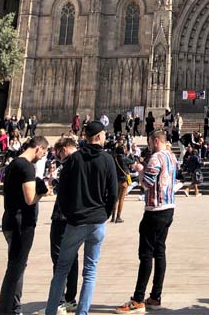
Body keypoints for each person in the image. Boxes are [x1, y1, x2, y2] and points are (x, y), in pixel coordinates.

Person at [41, 121, 117, 315]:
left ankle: (50, 311)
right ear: (99, 136)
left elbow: (62, 191)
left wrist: (69, 214)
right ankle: (81, 312)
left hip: (75, 222)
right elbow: (113, 194)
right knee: (90, 272)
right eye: (104, 135)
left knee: (61, 269)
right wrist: (104, 215)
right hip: (97, 222)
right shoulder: (107, 159)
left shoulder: (74, 159)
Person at [115, 128, 177, 313]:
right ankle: (156, 296)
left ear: (156, 141)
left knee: (146, 255)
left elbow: (146, 183)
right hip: (168, 209)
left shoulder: (157, 158)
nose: (149, 146)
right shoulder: (172, 158)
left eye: (150, 142)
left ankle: (138, 300)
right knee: (159, 252)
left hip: (155, 211)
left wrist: (140, 169)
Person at [0, 135, 49, 315]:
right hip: (22, 223)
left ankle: (13, 307)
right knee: (15, 268)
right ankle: (6, 310)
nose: (43, 156)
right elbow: (30, 199)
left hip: (9, 219)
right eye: (43, 152)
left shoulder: (13, 163)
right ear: (38, 148)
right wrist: (43, 192)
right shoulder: (27, 167)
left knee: (17, 265)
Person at [49, 137, 79, 313]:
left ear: (63, 150)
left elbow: (65, 189)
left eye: (57, 153)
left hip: (62, 216)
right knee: (73, 257)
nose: (57, 156)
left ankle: (60, 300)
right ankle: (70, 298)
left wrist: (54, 183)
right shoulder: (83, 162)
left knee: (58, 257)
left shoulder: (69, 165)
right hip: (76, 218)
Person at [112, 144, 135, 223]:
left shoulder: (114, 158)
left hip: (116, 180)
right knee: (121, 199)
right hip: (124, 180)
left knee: (116, 199)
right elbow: (133, 161)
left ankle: (112, 216)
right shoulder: (124, 158)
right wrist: (131, 154)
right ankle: (118, 217)